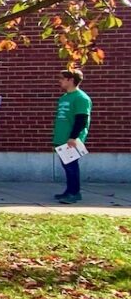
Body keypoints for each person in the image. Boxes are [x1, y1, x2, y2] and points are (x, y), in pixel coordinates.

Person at [53, 69, 91, 204]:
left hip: (72, 139)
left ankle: (74, 193)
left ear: (71, 80)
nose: (59, 80)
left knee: (71, 167)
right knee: (67, 166)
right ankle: (69, 191)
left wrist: (73, 137)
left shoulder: (81, 98)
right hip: (61, 137)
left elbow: (82, 119)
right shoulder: (64, 97)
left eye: (62, 78)